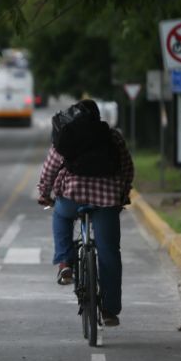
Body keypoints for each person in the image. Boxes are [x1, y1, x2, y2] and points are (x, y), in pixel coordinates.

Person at [37, 99, 134, 326]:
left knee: (60, 215)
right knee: (109, 251)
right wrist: (123, 193)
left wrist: (44, 194)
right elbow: (127, 168)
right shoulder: (112, 136)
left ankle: (65, 263)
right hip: (107, 200)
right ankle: (109, 310)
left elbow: (50, 168)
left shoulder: (68, 133)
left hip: (73, 196)